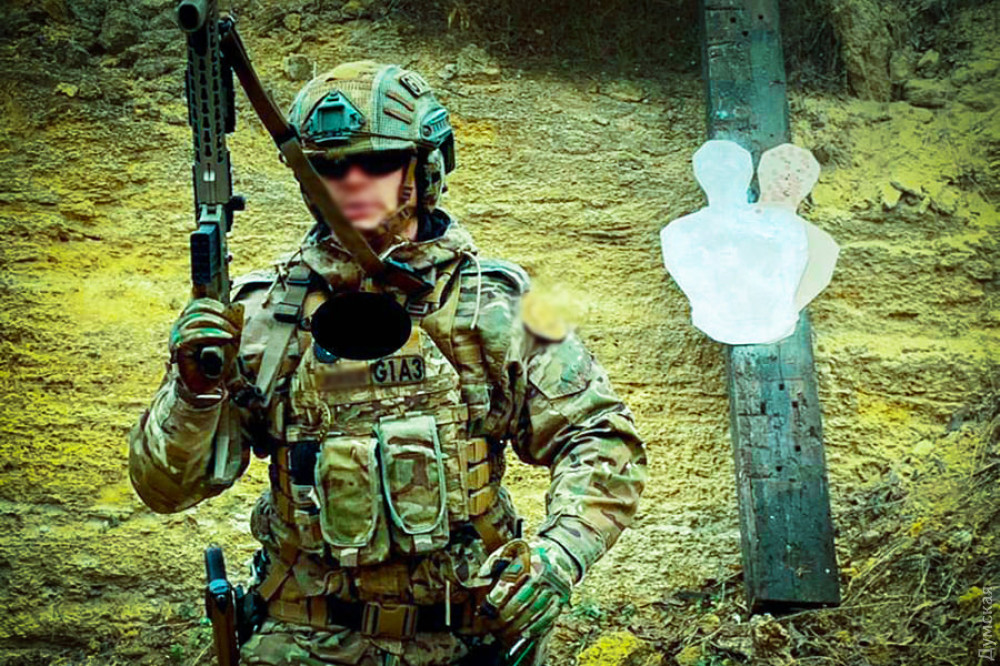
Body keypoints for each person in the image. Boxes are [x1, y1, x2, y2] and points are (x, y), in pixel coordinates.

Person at [128, 60, 648, 666]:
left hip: (467, 638)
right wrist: (194, 394)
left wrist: (557, 557)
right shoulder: (263, 316)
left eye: (376, 164)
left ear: (426, 168)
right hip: (303, 636)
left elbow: (599, 437)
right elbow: (166, 489)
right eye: (328, 167)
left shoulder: (497, 307)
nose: (352, 182)